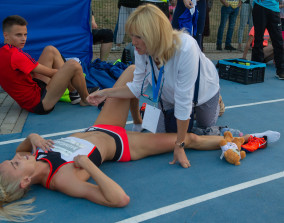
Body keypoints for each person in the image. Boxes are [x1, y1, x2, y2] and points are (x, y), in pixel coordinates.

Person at [0, 64, 280, 222]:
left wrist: (31, 138)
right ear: (25, 181)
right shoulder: (61, 180)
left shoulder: (32, 156)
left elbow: (22, 147)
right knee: (186, 139)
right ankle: (245, 139)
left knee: (129, 74)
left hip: (100, 126)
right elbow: (119, 199)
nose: (18, 157)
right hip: (122, 146)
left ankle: (139, 118)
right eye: (14, 164)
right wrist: (89, 166)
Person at [87, 4, 221, 169]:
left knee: (206, 126)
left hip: (204, 92)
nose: (133, 42)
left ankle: (217, 101)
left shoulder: (186, 47)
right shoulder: (141, 49)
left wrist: (180, 145)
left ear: (153, 35)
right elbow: (137, 88)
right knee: (161, 135)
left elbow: (184, 100)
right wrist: (106, 93)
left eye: (138, 36)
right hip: (168, 95)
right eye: (131, 35)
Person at [0, 15, 97, 115]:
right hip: (40, 103)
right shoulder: (16, 55)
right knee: (73, 65)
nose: (23, 39)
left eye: (25, 34)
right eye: (18, 35)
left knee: (50, 50)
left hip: (35, 92)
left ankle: (74, 93)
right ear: (6, 35)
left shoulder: (4, 52)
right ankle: (85, 98)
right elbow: (52, 74)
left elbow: (32, 73)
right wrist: (68, 75)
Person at [251, 0, 284, 79]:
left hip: (274, 9)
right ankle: (256, 69)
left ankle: (281, 70)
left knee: (278, 41)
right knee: (258, 39)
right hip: (260, 7)